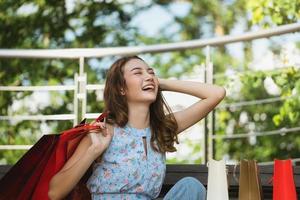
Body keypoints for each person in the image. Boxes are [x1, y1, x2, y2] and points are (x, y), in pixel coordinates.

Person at [48, 55, 226, 200]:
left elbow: (216, 94)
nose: (148, 76)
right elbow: (55, 192)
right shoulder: (103, 132)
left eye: (151, 73)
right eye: (137, 73)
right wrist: (92, 152)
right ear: (121, 88)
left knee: (191, 187)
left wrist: (159, 82)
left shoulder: (161, 129)